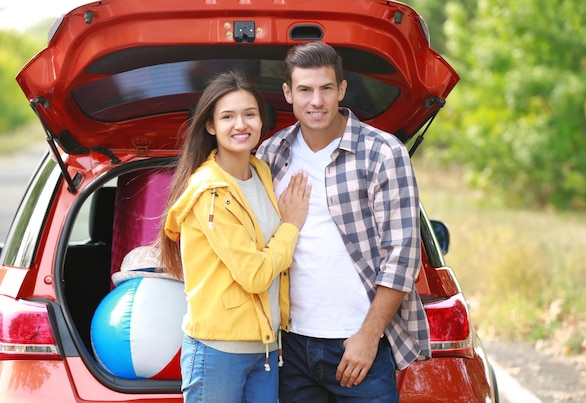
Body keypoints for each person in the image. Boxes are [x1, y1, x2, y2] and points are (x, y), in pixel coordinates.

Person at [256, 41, 430, 402]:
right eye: (304, 89)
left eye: (325, 88)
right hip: (290, 346)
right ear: (288, 93)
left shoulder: (383, 153)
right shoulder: (271, 154)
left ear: (342, 89)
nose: (315, 101)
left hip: (358, 344)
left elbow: (402, 256)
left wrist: (368, 338)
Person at [160, 70, 311, 403]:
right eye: (228, 116)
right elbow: (254, 274)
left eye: (249, 114)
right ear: (211, 126)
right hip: (218, 350)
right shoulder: (210, 192)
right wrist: (291, 226)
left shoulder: (260, 172)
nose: (240, 124)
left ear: (261, 121)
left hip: (266, 348)